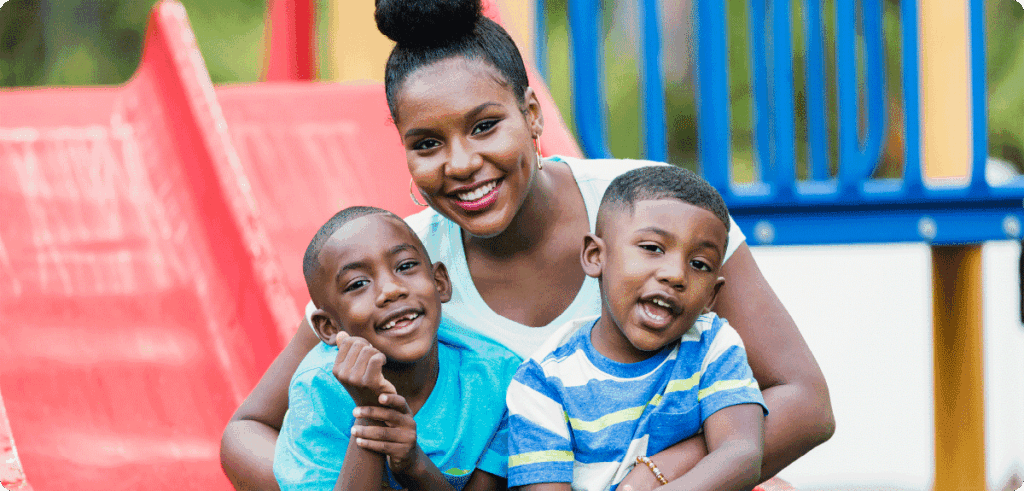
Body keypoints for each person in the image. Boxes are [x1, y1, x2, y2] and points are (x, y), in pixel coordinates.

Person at [220, 0, 835, 489]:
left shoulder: (651, 215)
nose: (462, 163)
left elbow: (804, 402)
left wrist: (653, 472)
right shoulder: (404, 272)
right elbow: (247, 431)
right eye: (427, 143)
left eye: (486, 126)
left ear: (533, 116)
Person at [507, 166, 766, 491]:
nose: (675, 274)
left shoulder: (711, 345)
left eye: (699, 264)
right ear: (595, 255)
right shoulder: (543, 382)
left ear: (712, 295)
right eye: (652, 248)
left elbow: (741, 453)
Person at [273, 206, 519, 491]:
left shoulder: (497, 379)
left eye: (405, 266)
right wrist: (370, 415)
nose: (391, 290)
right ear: (328, 327)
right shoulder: (317, 392)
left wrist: (414, 464)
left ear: (439, 281)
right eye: (358, 284)